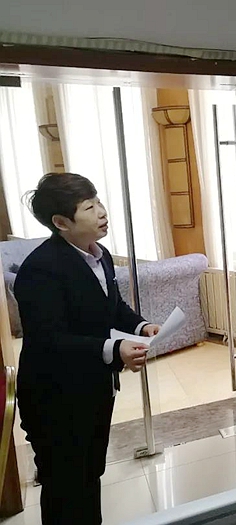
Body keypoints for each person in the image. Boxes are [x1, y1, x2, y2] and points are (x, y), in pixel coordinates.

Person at [15, 173, 161, 524]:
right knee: (64, 486)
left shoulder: (100, 254)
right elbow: (50, 340)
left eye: (99, 202)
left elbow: (113, 307)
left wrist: (141, 326)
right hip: (55, 398)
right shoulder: (40, 270)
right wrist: (115, 348)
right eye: (89, 207)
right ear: (61, 222)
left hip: (94, 388)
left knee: (89, 473)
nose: (102, 212)